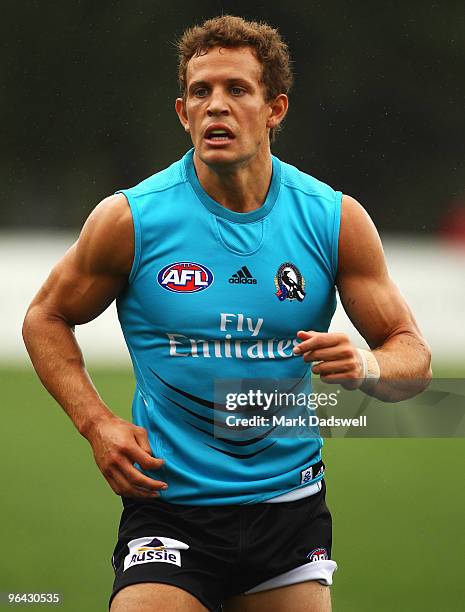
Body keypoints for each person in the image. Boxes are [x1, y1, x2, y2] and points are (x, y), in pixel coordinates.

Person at [22, 15, 432, 612]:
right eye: (201, 92)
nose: (217, 106)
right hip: (169, 509)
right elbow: (44, 318)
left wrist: (369, 364)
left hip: (289, 511)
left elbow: (412, 357)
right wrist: (97, 424)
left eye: (237, 89)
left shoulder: (333, 219)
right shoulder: (131, 220)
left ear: (275, 108)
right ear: (183, 113)